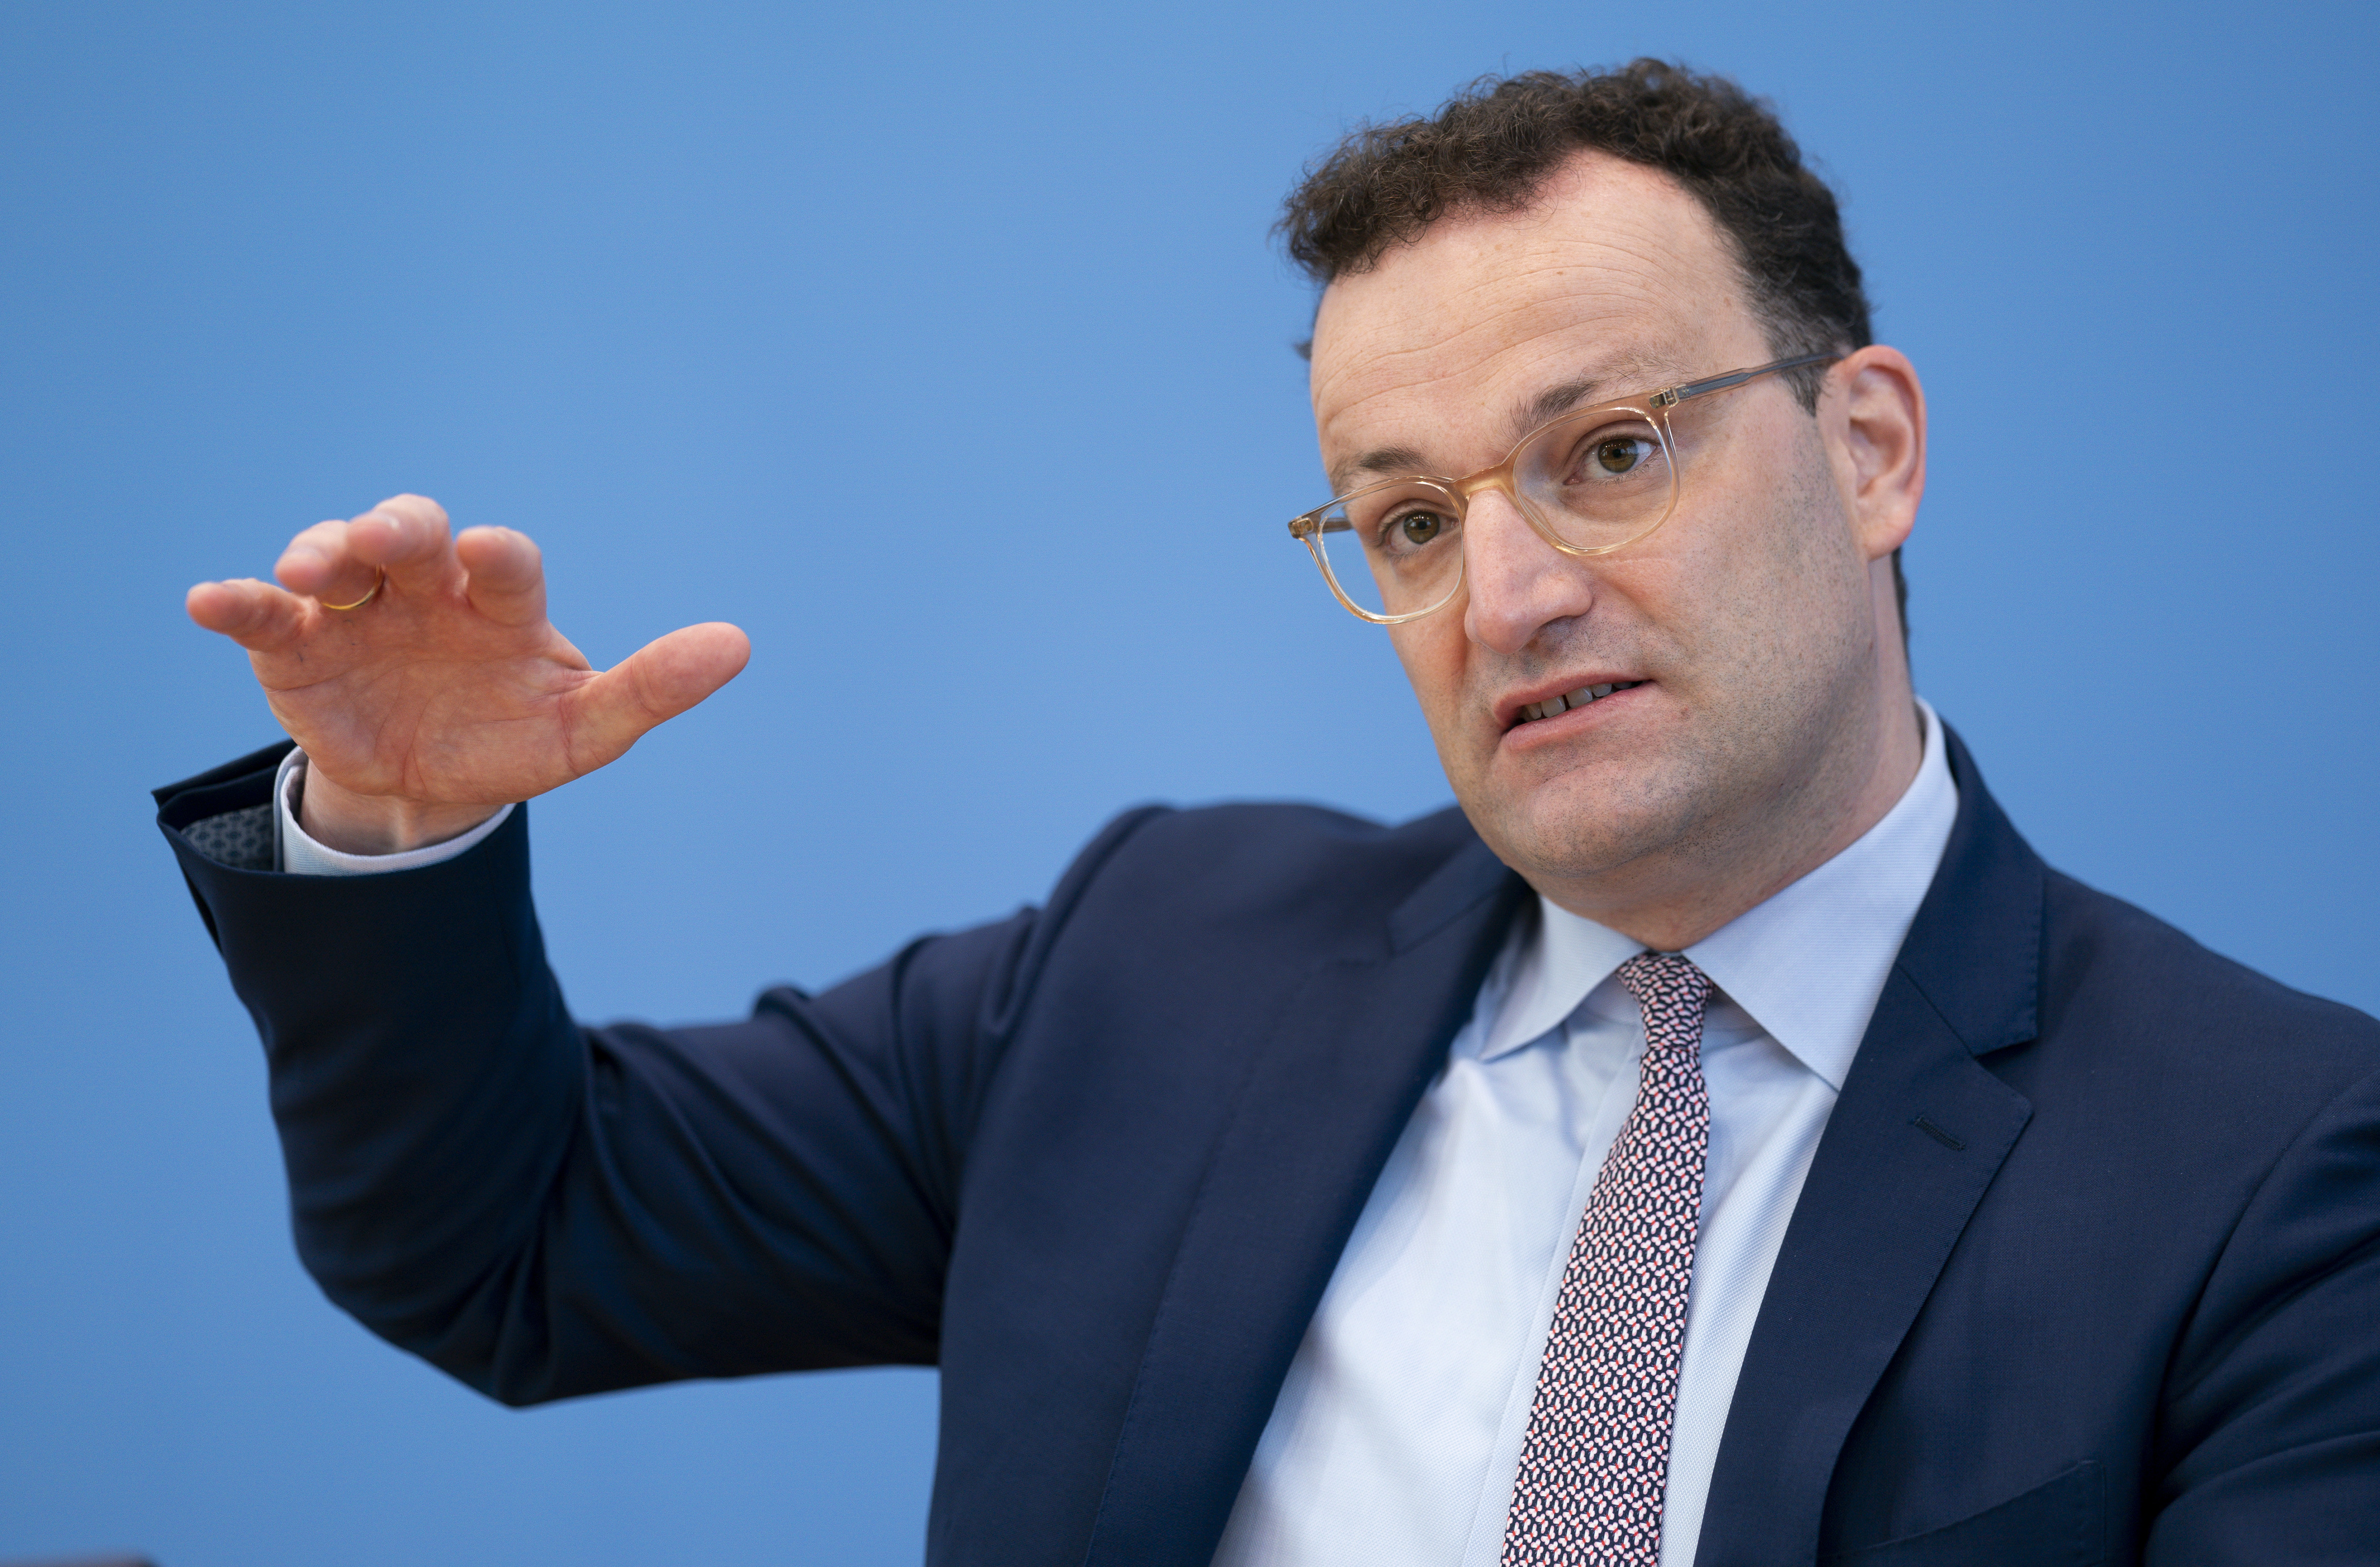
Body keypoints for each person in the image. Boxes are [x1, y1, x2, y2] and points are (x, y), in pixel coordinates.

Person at [155, 60, 2378, 1567]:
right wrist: (385, 822)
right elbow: (506, 1245)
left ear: (1870, 445)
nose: (1505, 594)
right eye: (1406, 519)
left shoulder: (2276, 1169)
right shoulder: (1154, 966)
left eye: (1610, 450)